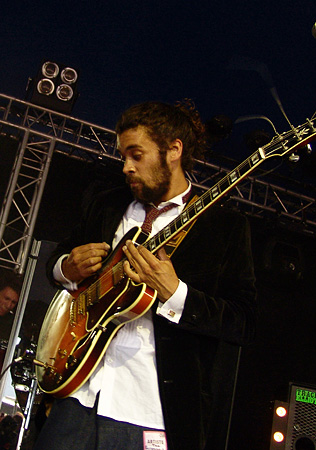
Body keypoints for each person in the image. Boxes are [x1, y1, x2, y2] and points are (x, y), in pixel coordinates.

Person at [34, 100, 257, 450]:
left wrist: (176, 293)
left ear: (173, 150)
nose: (126, 167)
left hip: (148, 411)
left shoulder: (224, 227)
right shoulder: (106, 203)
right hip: (76, 393)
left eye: (136, 155)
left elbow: (242, 320)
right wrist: (67, 267)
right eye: (124, 156)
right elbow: (56, 263)